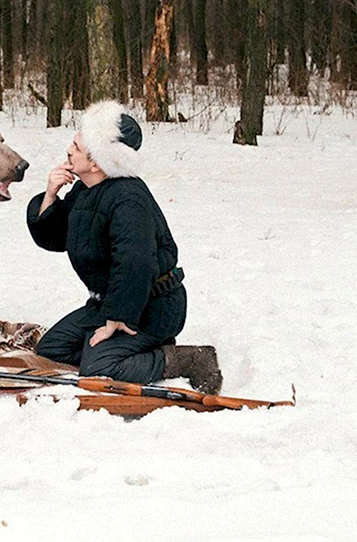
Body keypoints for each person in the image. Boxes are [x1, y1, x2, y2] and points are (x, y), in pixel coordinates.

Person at [26, 101, 222, 394]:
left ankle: (187, 359)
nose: (69, 148)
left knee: (99, 370)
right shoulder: (85, 189)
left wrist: (118, 318)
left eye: (77, 147)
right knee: (52, 349)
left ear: (96, 162)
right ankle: (132, 350)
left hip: (152, 306)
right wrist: (51, 194)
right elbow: (54, 238)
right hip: (111, 301)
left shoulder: (129, 199)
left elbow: (134, 263)